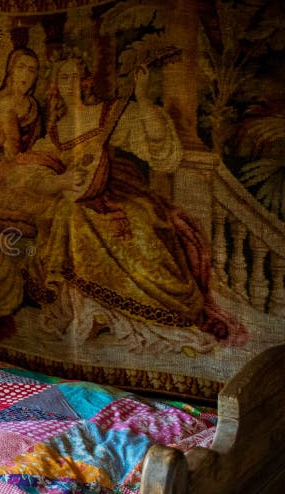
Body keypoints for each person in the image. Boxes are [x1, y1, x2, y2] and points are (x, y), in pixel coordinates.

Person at [24, 55, 244, 353]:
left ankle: (144, 311)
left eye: (77, 76)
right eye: (64, 78)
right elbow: (34, 174)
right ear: (55, 86)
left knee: (140, 225)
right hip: (80, 199)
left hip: (123, 194)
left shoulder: (111, 113)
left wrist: (141, 97)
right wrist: (62, 182)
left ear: (87, 81)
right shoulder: (54, 133)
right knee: (69, 214)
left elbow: (159, 147)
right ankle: (92, 311)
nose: (71, 83)